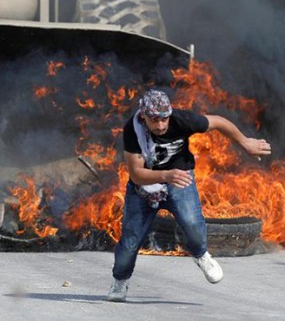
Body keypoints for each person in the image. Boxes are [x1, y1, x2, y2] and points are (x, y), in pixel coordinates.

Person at [107, 89, 272, 302]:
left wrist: (245, 142)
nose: (160, 125)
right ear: (143, 116)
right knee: (129, 243)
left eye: (164, 118)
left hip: (180, 179)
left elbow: (219, 122)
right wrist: (166, 175)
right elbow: (137, 175)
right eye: (154, 119)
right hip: (144, 188)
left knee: (193, 224)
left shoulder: (182, 120)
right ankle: (120, 281)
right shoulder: (133, 129)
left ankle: (201, 254)